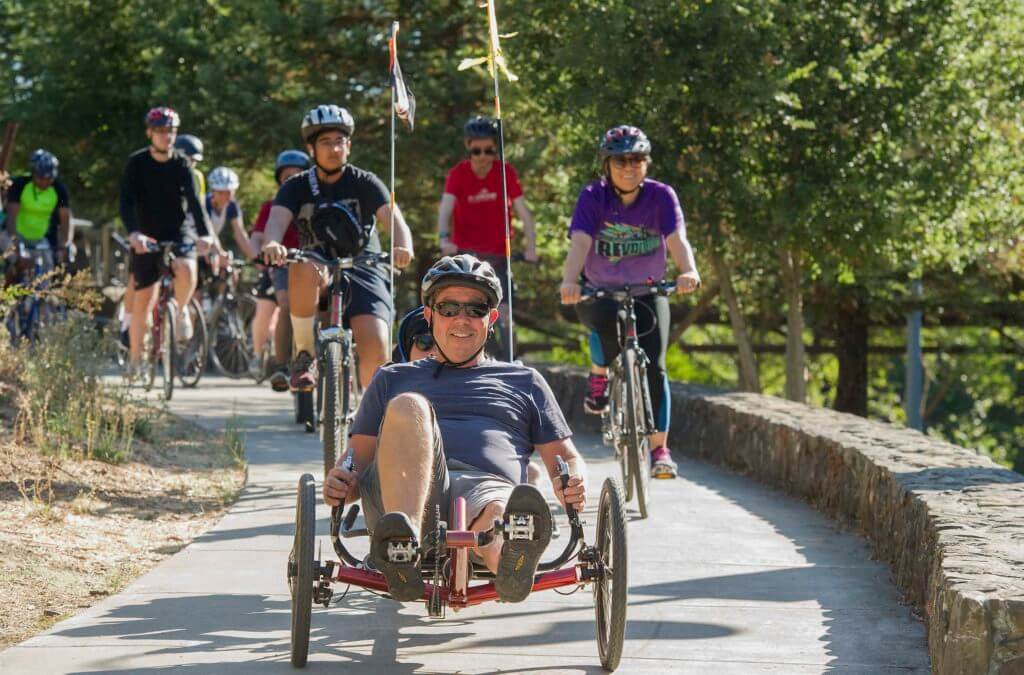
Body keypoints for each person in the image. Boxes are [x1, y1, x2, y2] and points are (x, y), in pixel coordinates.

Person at [323, 254, 586, 603]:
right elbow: (355, 463)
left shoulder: (525, 381)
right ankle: (405, 547)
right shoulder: (393, 378)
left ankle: (509, 562)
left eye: (475, 309)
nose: (461, 319)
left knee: (503, 511)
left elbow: (566, 458)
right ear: (430, 315)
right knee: (409, 405)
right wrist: (341, 482)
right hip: (402, 496)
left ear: (491, 319)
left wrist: (574, 481)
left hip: (488, 489)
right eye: (448, 308)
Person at [559, 125, 701, 479]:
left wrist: (689, 271)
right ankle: (599, 374)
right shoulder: (593, 197)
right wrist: (569, 281)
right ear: (606, 165)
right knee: (604, 323)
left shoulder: (661, 196)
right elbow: (579, 243)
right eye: (621, 160)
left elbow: (677, 240)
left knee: (655, 364)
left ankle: (659, 449)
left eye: (637, 159)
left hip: (647, 290)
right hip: (599, 290)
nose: (629, 166)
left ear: (646, 163)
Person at [261, 104, 414, 392]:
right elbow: (276, 221)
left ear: (349, 145)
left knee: (376, 344)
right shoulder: (295, 186)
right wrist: (271, 243)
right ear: (311, 148)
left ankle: (371, 418)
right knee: (302, 266)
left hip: (363, 264)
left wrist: (403, 246)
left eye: (340, 142)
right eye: (325, 142)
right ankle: (305, 355)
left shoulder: (365, 182)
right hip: (318, 264)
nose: (334, 149)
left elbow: (394, 220)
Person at [119, 106, 212, 376]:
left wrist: (205, 235)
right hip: (145, 234)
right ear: (150, 133)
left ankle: (180, 310)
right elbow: (125, 203)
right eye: (160, 131)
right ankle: (136, 361)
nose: (166, 136)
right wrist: (134, 233)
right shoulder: (136, 163)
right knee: (144, 300)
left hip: (177, 230)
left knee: (188, 268)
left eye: (171, 131)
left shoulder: (182, 163)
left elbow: (195, 202)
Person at [437, 116, 539, 359]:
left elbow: (525, 213)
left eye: (489, 150)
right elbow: (445, 211)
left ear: (496, 148)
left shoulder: (505, 173)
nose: (483, 156)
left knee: (505, 314)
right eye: (477, 150)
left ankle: (511, 363)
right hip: (465, 257)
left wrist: (531, 247)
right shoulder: (458, 174)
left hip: (499, 257)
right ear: (469, 147)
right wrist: (443, 240)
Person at [250, 150, 310, 390]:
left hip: (316, 265)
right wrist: (258, 254)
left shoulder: (315, 204)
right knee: (287, 305)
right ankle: (282, 366)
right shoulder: (271, 206)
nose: (292, 180)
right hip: (283, 265)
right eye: (287, 176)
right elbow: (256, 237)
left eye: (298, 175)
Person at [4, 149, 73, 277]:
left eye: (49, 178)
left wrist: (63, 245)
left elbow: (65, 219)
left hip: (40, 238)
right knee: (16, 261)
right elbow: (11, 218)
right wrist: (16, 248)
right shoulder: (20, 185)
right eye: (41, 178)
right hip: (15, 234)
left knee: (48, 266)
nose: (44, 182)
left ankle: (43, 295)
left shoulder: (59, 190)